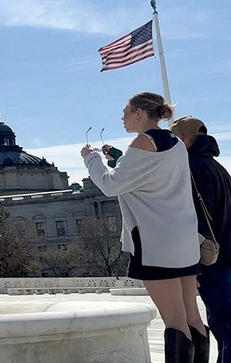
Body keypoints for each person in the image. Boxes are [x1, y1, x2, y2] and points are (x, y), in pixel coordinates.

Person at [81, 92, 204, 363]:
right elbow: (148, 177)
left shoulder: (142, 142)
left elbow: (111, 186)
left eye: (125, 112)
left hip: (157, 242)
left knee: (174, 320)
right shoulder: (176, 142)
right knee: (191, 315)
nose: (122, 117)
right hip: (184, 239)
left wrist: (92, 160)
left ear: (139, 112)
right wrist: (118, 159)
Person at [171, 116, 231, 363]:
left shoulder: (192, 169)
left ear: (183, 139)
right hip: (225, 256)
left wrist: (192, 266)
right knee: (222, 326)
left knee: (225, 326)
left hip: (212, 260)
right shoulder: (218, 167)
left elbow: (192, 220)